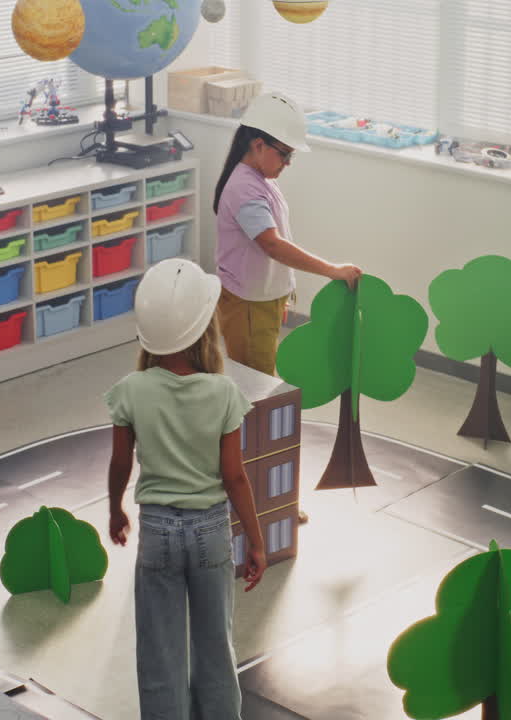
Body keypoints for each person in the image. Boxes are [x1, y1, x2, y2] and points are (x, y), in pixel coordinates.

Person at [104, 258, 268, 718]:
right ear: (205, 330)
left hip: (156, 533)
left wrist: (116, 509)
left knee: (159, 654)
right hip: (211, 532)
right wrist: (256, 542)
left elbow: (120, 463)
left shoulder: (130, 390)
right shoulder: (224, 394)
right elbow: (235, 477)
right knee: (216, 648)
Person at [212, 91, 361, 377]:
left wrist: (281, 296)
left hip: (260, 301)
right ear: (258, 144)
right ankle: (251, 424)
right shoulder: (245, 189)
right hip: (249, 305)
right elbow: (273, 246)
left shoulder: (260, 179)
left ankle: (254, 423)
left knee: (258, 378)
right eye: (285, 153)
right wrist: (332, 270)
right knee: (255, 386)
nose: (288, 162)